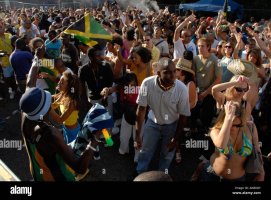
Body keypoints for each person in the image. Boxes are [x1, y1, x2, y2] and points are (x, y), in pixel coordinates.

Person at [135, 57, 190, 174]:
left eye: (174, 71)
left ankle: (162, 175)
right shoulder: (146, 84)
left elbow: (184, 116)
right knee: (145, 151)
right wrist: (138, 134)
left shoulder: (182, 89)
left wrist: (176, 138)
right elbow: (141, 109)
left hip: (172, 125)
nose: (173, 75)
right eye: (167, 72)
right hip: (152, 123)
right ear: (158, 73)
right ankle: (140, 174)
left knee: (167, 155)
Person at [199, 101, 264, 181]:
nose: (235, 128)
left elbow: (257, 149)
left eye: (238, 125)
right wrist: (228, 119)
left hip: (238, 178)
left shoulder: (250, 127)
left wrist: (262, 172)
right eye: (232, 125)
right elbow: (221, 145)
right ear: (224, 120)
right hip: (213, 175)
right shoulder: (216, 130)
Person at [50, 71, 81, 144]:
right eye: (60, 81)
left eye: (62, 82)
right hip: (65, 128)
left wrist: (48, 109)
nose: (58, 83)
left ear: (69, 87)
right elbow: (54, 105)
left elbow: (60, 120)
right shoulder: (63, 93)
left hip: (73, 132)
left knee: (73, 153)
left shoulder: (72, 102)